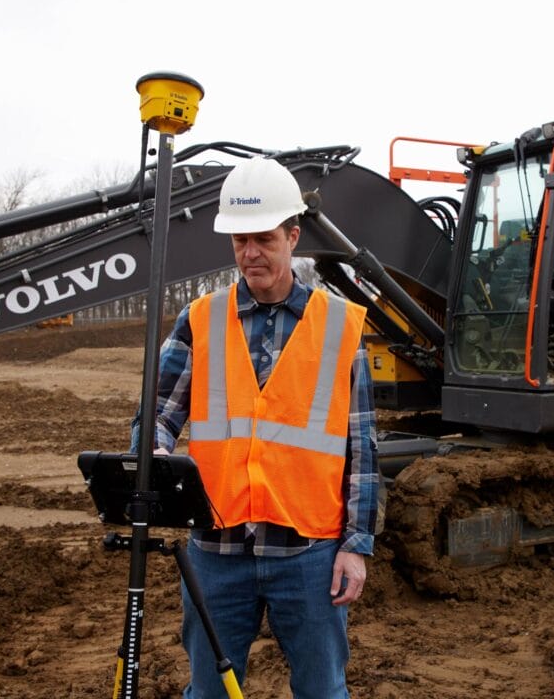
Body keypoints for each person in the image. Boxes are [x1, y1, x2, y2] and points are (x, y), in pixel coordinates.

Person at [130, 156, 379, 699]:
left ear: (293, 236)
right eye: (240, 240)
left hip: (310, 555)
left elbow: (362, 449)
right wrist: (150, 474)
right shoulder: (199, 319)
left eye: (263, 239)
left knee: (322, 691)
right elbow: (157, 420)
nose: (250, 253)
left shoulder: (339, 325)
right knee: (210, 691)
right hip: (215, 554)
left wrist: (355, 546)